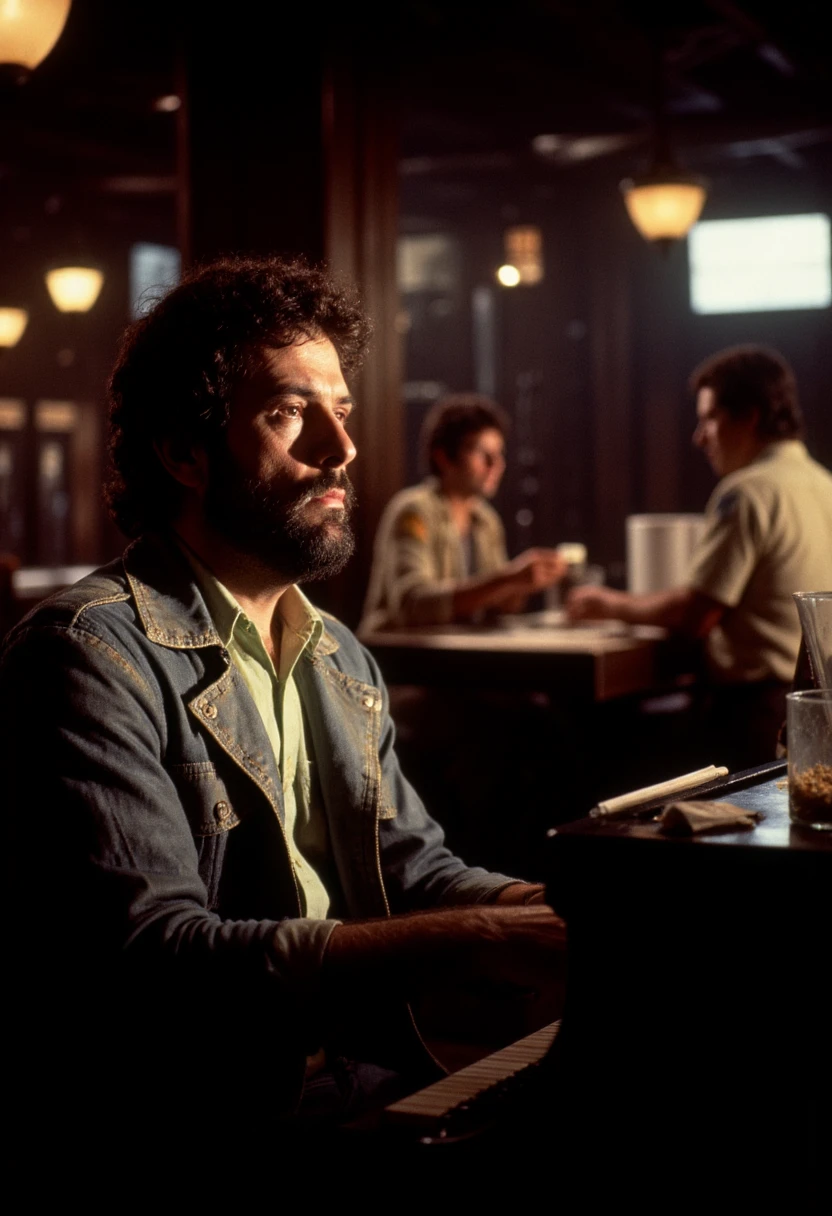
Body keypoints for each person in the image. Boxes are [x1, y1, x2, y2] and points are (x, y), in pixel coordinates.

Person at [0, 257, 566, 1163]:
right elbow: (159, 958)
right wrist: (483, 935)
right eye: (289, 413)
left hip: (364, 1069)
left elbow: (410, 865)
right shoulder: (86, 652)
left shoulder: (339, 653)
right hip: (208, 1114)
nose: (340, 448)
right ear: (184, 451)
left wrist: (543, 906)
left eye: (340, 411)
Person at [567, 344, 832, 771]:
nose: (699, 436)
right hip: (817, 715)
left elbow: (697, 614)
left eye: (710, 418)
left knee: (586, 746)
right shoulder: (824, 484)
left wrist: (604, 604)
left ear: (749, 416)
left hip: (754, 719)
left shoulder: (747, 491)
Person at [359, 393, 567, 631]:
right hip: (398, 656)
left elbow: (496, 605)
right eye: (483, 454)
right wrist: (509, 579)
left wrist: (525, 584)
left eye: (499, 454)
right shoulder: (413, 510)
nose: (496, 465)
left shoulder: (486, 520)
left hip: (456, 654)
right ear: (444, 457)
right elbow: (412, 604)